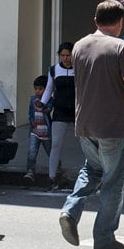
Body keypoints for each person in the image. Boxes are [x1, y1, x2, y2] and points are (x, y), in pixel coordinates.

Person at [58, 0, 124, 249]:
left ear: (96, 21)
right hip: (113, 126)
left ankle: (70, 209)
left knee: (92, 169)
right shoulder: (121, 48)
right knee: (115, 181)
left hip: (85, 125)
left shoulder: (79, 46)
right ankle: (104, 238)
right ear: (120, 22)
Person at [40, 41, 75, 190]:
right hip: (60, 111)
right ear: (59, 56)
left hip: (77, 111)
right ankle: (51, 177)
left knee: (88, 145)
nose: (66, 58)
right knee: (55, 145)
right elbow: (48, 89)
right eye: (63, 55)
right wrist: (42, 102)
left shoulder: (80, 69)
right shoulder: (54, 70)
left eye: (68, 55)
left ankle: (92, 177)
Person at [24, 75, 52, 182]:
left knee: (51, 151)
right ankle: (30, 172)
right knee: (32, 152)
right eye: (36, 89)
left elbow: (49, 109)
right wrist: (31, 120)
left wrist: (44, 106)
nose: (37, 91)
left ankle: (56, 169)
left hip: (45, 132)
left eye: (40, 89)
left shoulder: (49, 100)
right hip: (35, 131)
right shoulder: (32, 100)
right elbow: (31, 112)